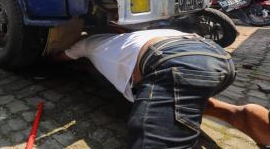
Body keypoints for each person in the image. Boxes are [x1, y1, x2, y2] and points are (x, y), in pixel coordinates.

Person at [53, 29, 270, 147]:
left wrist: (45, 58)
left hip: (175, 61)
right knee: (185, 95)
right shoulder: (130, 34)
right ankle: (240, 113)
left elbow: (62, 57)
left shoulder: (86, 42)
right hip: (218, 58)